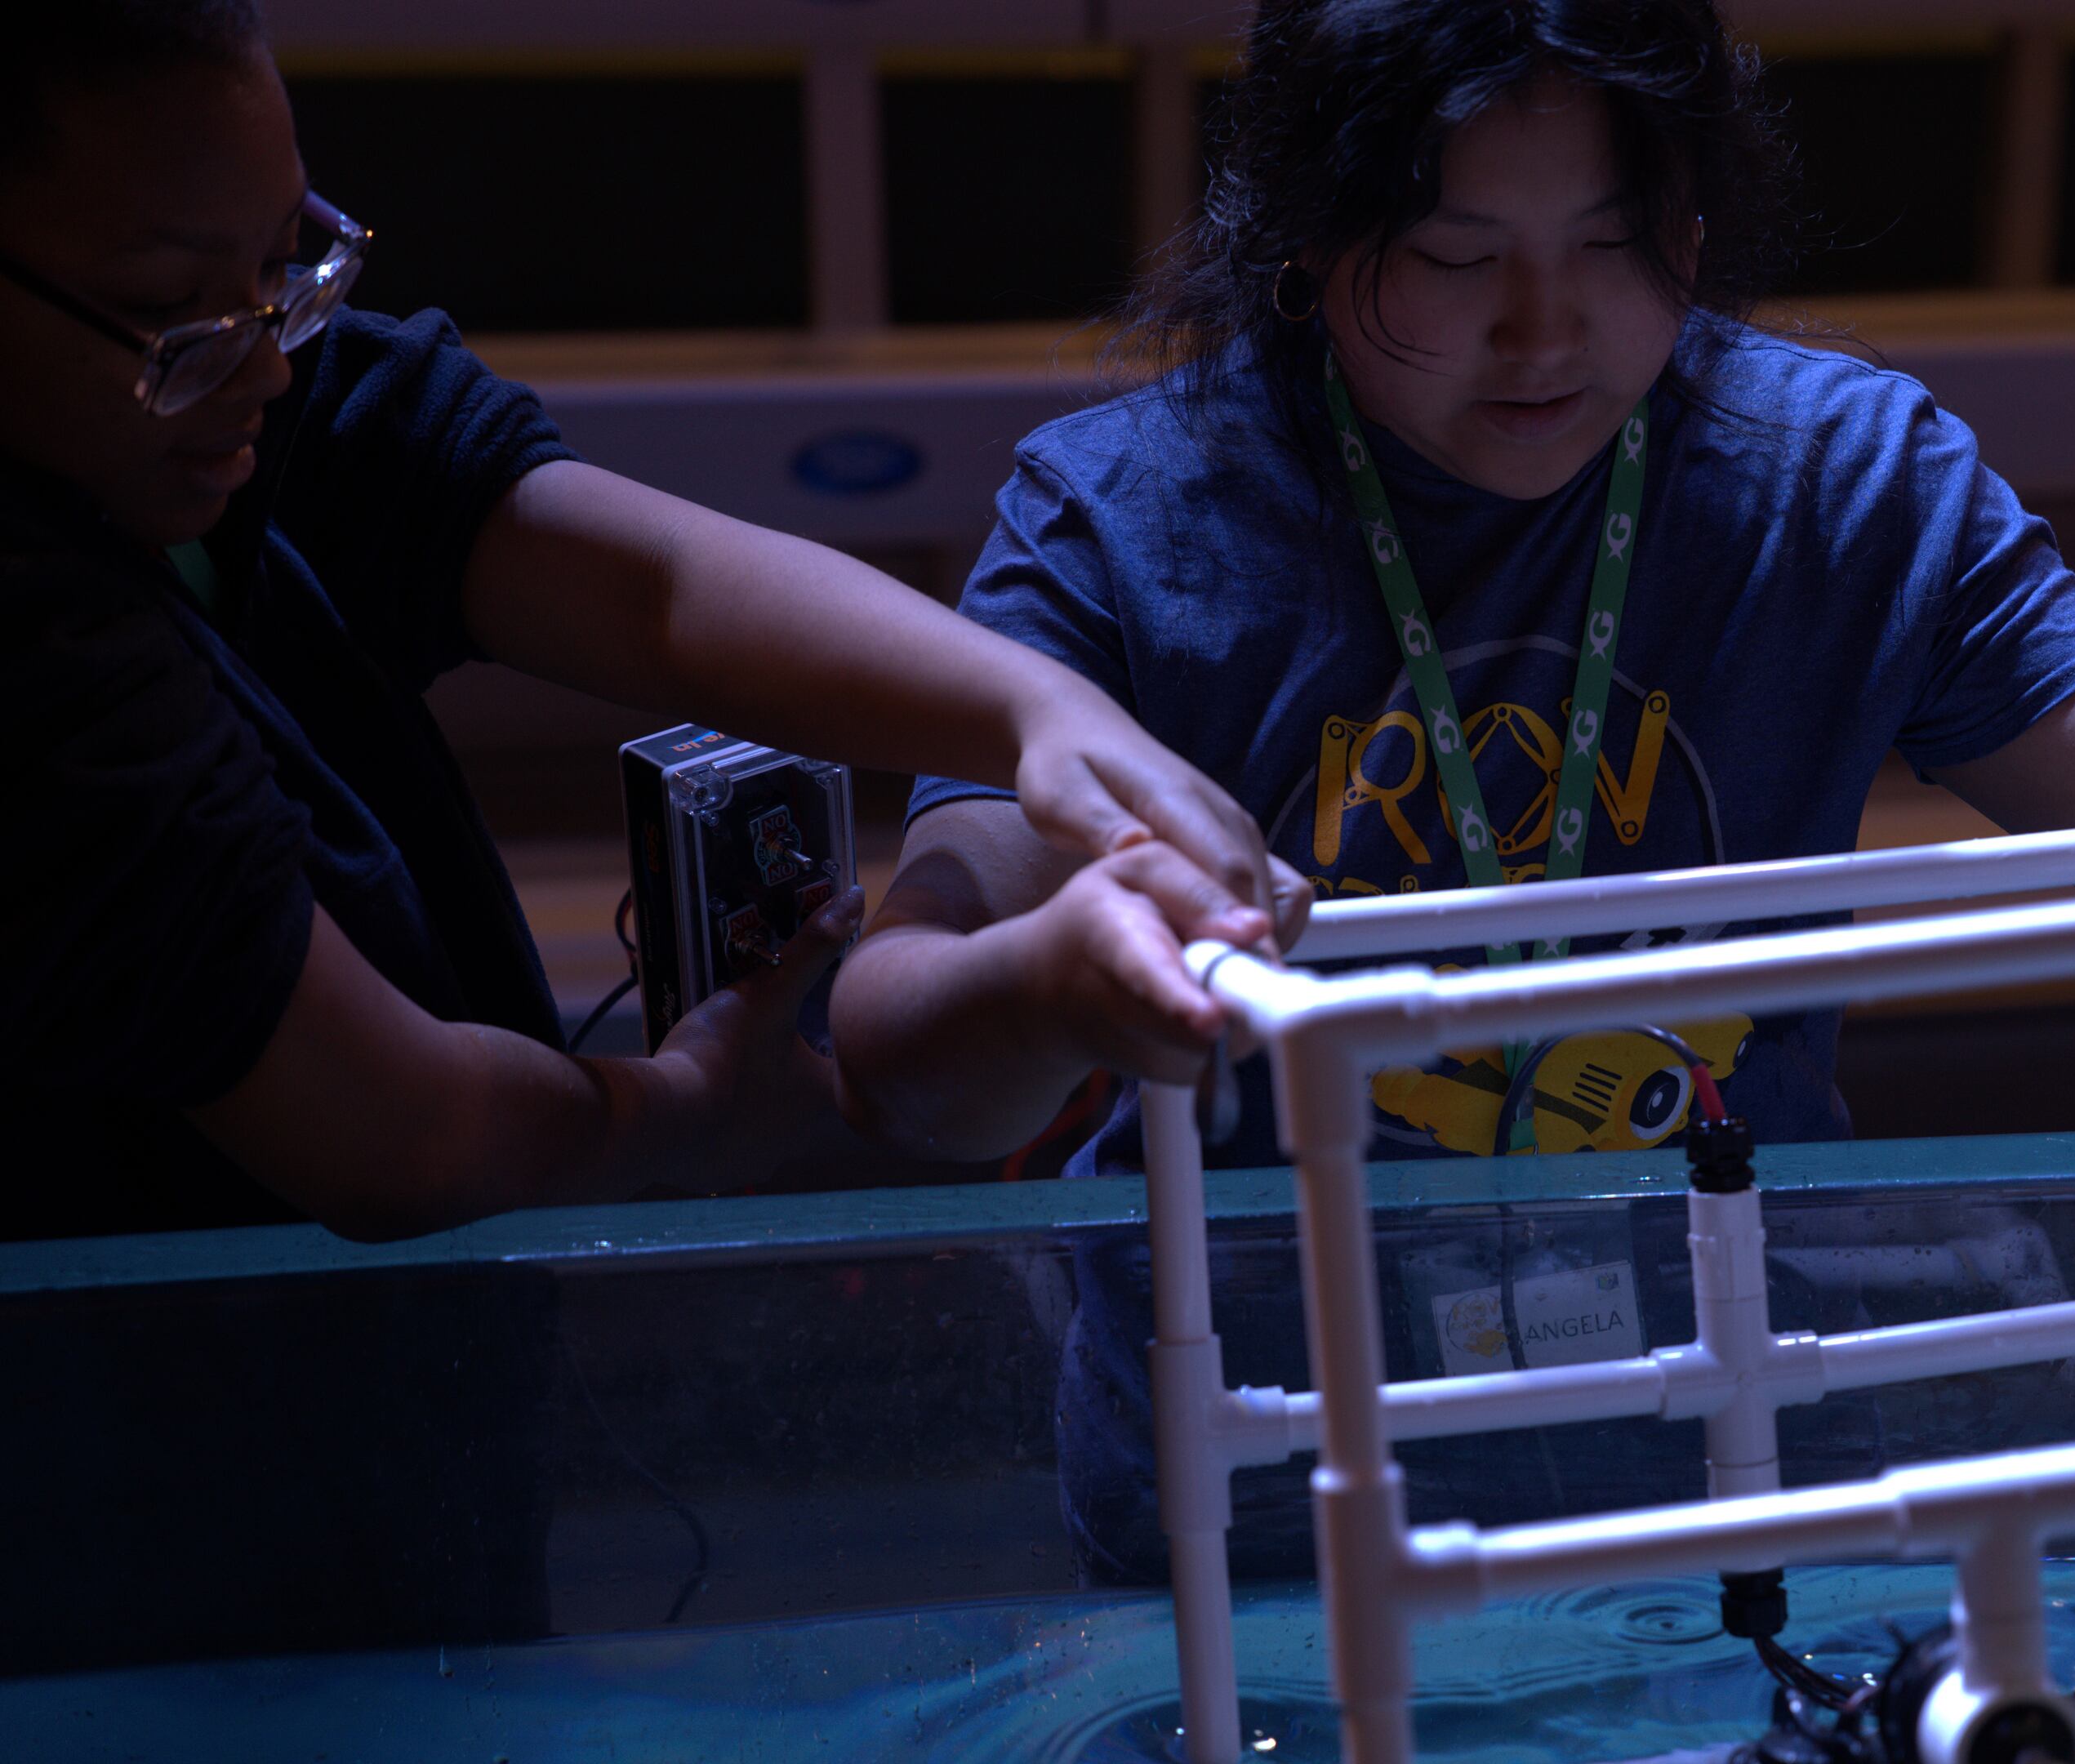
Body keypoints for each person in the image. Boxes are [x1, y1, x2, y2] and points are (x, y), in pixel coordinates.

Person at [825, 0, 2075, 1578]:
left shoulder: (1847, 477)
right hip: (1261, 1481)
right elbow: (901, 1058)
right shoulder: (1121, 525)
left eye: (1616, 241)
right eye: (1458, 259)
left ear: (1699, 218)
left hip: (1745, 1442)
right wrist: (1047, 984)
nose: (1545, 329)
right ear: (1304, 235)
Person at [0, 2, 1289, 1243]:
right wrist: (690, 1111)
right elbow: (400, 1132)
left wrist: (1037, 708)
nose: (268, 359)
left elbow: (652, 591)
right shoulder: (42, 646)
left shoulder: (251, 398)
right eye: (179, 312)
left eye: (288, 260)